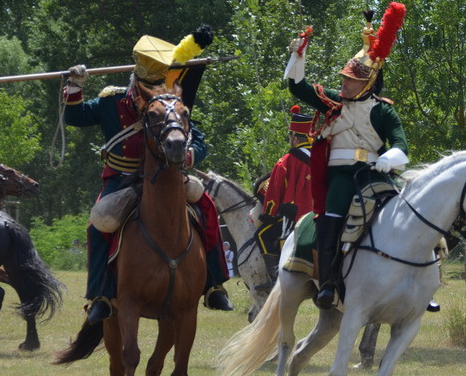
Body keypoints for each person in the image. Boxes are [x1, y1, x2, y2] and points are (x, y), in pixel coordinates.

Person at [63, 25, 233, 325]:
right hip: (122, 179)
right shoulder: (111, 102)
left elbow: (198, 140)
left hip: (167, 178)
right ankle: (101, 295)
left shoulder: (170, 103)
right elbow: (75, 117)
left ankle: (214, 284)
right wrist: (74, 85)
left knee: (205, 205)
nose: (157, 94)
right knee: (98, 224)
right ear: (137, 85)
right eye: (150, 90)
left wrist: (189, 154)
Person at [285, 3, 410, 309]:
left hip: (375, 174)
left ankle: (418, 282)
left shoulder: (383, 110)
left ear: (368, 82)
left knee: (411, 211)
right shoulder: (332, 101)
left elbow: (401, 145)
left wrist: (388, 159)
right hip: (341, 177)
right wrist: (298, 56)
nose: (343, 82)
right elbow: (298, 87)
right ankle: (328, 282)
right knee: (332, 217)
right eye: (344, 78)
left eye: (350, 79)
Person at [255, 105, 314, 286]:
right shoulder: (322, 157)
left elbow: (274, 191)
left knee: (262, 235)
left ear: (295, 138)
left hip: (296, 216)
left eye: (290, 137)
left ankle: (275, 278)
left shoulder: (286, 161)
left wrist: (269, 214)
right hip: (320, 214)